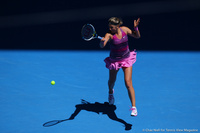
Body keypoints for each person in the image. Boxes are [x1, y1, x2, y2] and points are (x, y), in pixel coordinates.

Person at [99, 17, 140, 116]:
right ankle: (110, 93)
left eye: (112, 27)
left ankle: (134, 107)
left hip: (126, 59)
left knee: (128, 83)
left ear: (118, 26)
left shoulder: (125, 29)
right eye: (109, 27)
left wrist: (136, 28)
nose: (110, 29)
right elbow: (102, 45)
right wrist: (102, 41)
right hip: (115, 61)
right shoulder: (109, 35)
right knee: (112, 81)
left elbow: (137, 36)